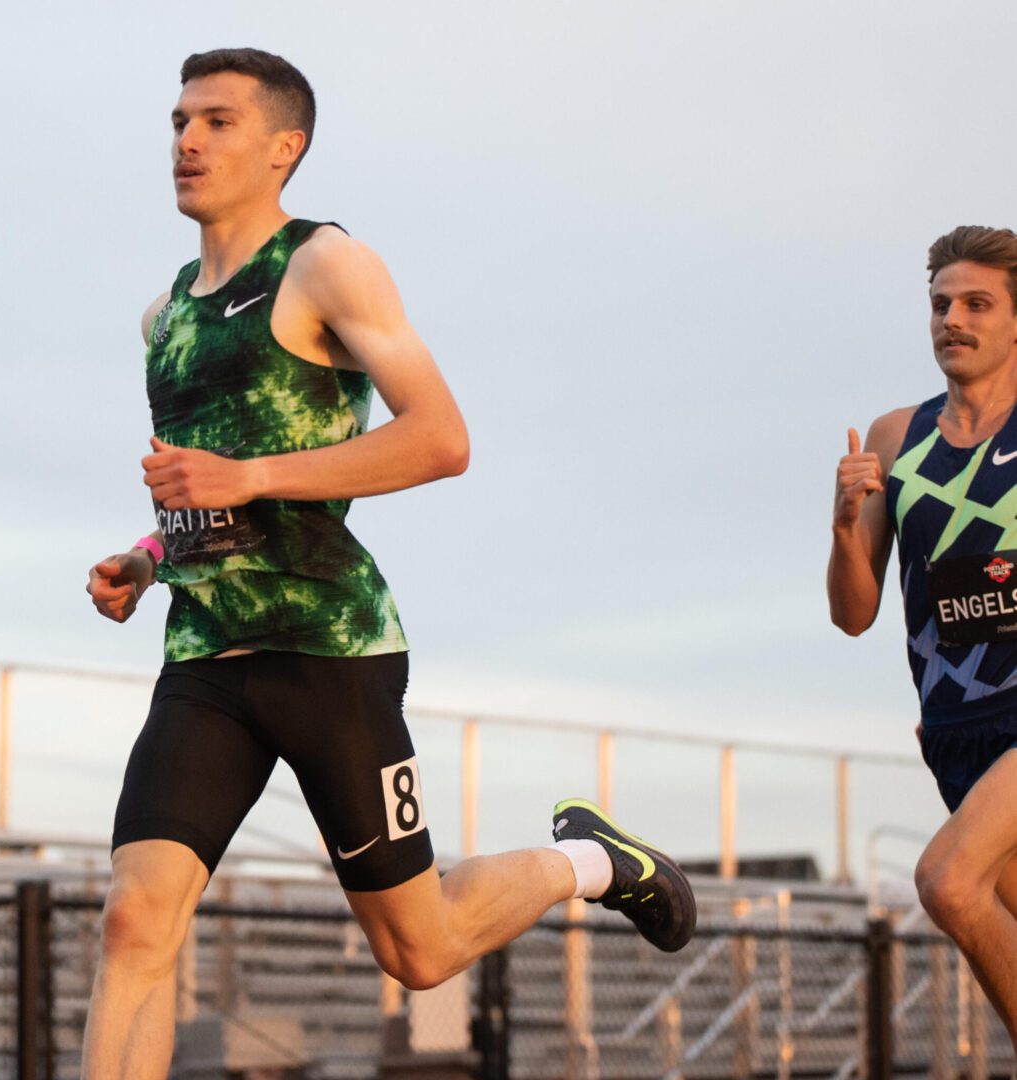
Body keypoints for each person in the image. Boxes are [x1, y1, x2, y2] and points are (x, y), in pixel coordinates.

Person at [83, 47, 696, 1078]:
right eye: (180, 119)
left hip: (331, 650)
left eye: (218, 121)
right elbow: (207, 487)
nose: (188, 140)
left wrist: (251, 476)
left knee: (421, 951)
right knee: (134, 924)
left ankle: (593, 863)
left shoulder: (327, 264)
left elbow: (441, 438)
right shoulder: (166, 316)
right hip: (207, 653)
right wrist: (148, 557)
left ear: (287, 147)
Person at [829, 224, 1017, 1046]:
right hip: (955, 732)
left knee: (946, 882)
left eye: (977, 303)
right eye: (941, 304)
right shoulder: (895, 438)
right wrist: (843, 525)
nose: (954, 319)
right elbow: (853, 612)